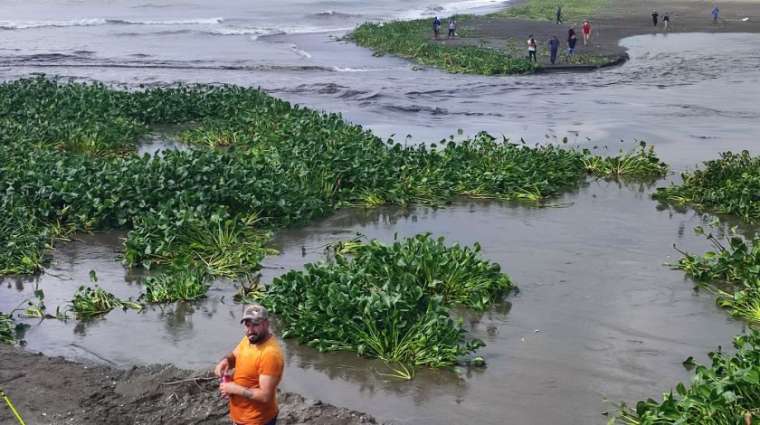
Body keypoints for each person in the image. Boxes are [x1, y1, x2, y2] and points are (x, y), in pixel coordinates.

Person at [215, 304, 284, 425]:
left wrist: (234, 388)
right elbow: (235, 355)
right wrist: (225, 361)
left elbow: (265, 396)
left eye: (256, 324)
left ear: (266, 324)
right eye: (247, 325)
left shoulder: (270, 355)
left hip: (258, 420)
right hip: (240, 416)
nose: (250, 330)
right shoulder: (249, 339)